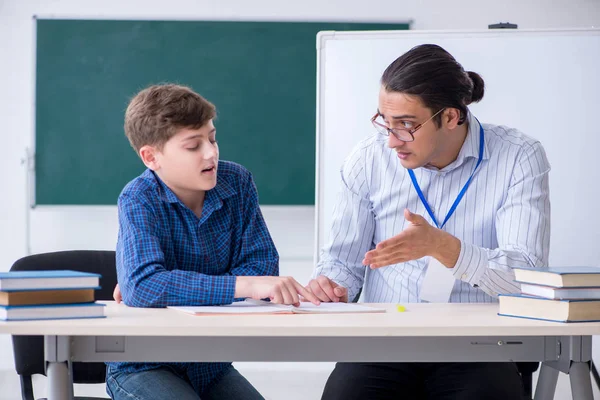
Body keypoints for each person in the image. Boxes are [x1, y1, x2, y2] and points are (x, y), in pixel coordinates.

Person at [308, 44, 550, 399]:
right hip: (386, 341)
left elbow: (527, 278)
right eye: (385, 122)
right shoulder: (368, 158)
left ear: (451, 117)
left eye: (406, 126)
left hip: (479, 344)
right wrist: (330, 284)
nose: (391, 141)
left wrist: (443, 247)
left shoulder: (518, 157)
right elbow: (341, 262)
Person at [106, 83, 319, 400]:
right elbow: (143, 286)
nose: (211, 153)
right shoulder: (138, 198)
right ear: (151, 157)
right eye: (193, 146)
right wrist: (242, 286)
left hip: (210, 365)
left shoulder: (237, 182)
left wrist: (170, 285)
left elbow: (262, 267)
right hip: (144, 365)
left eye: (213, 138)